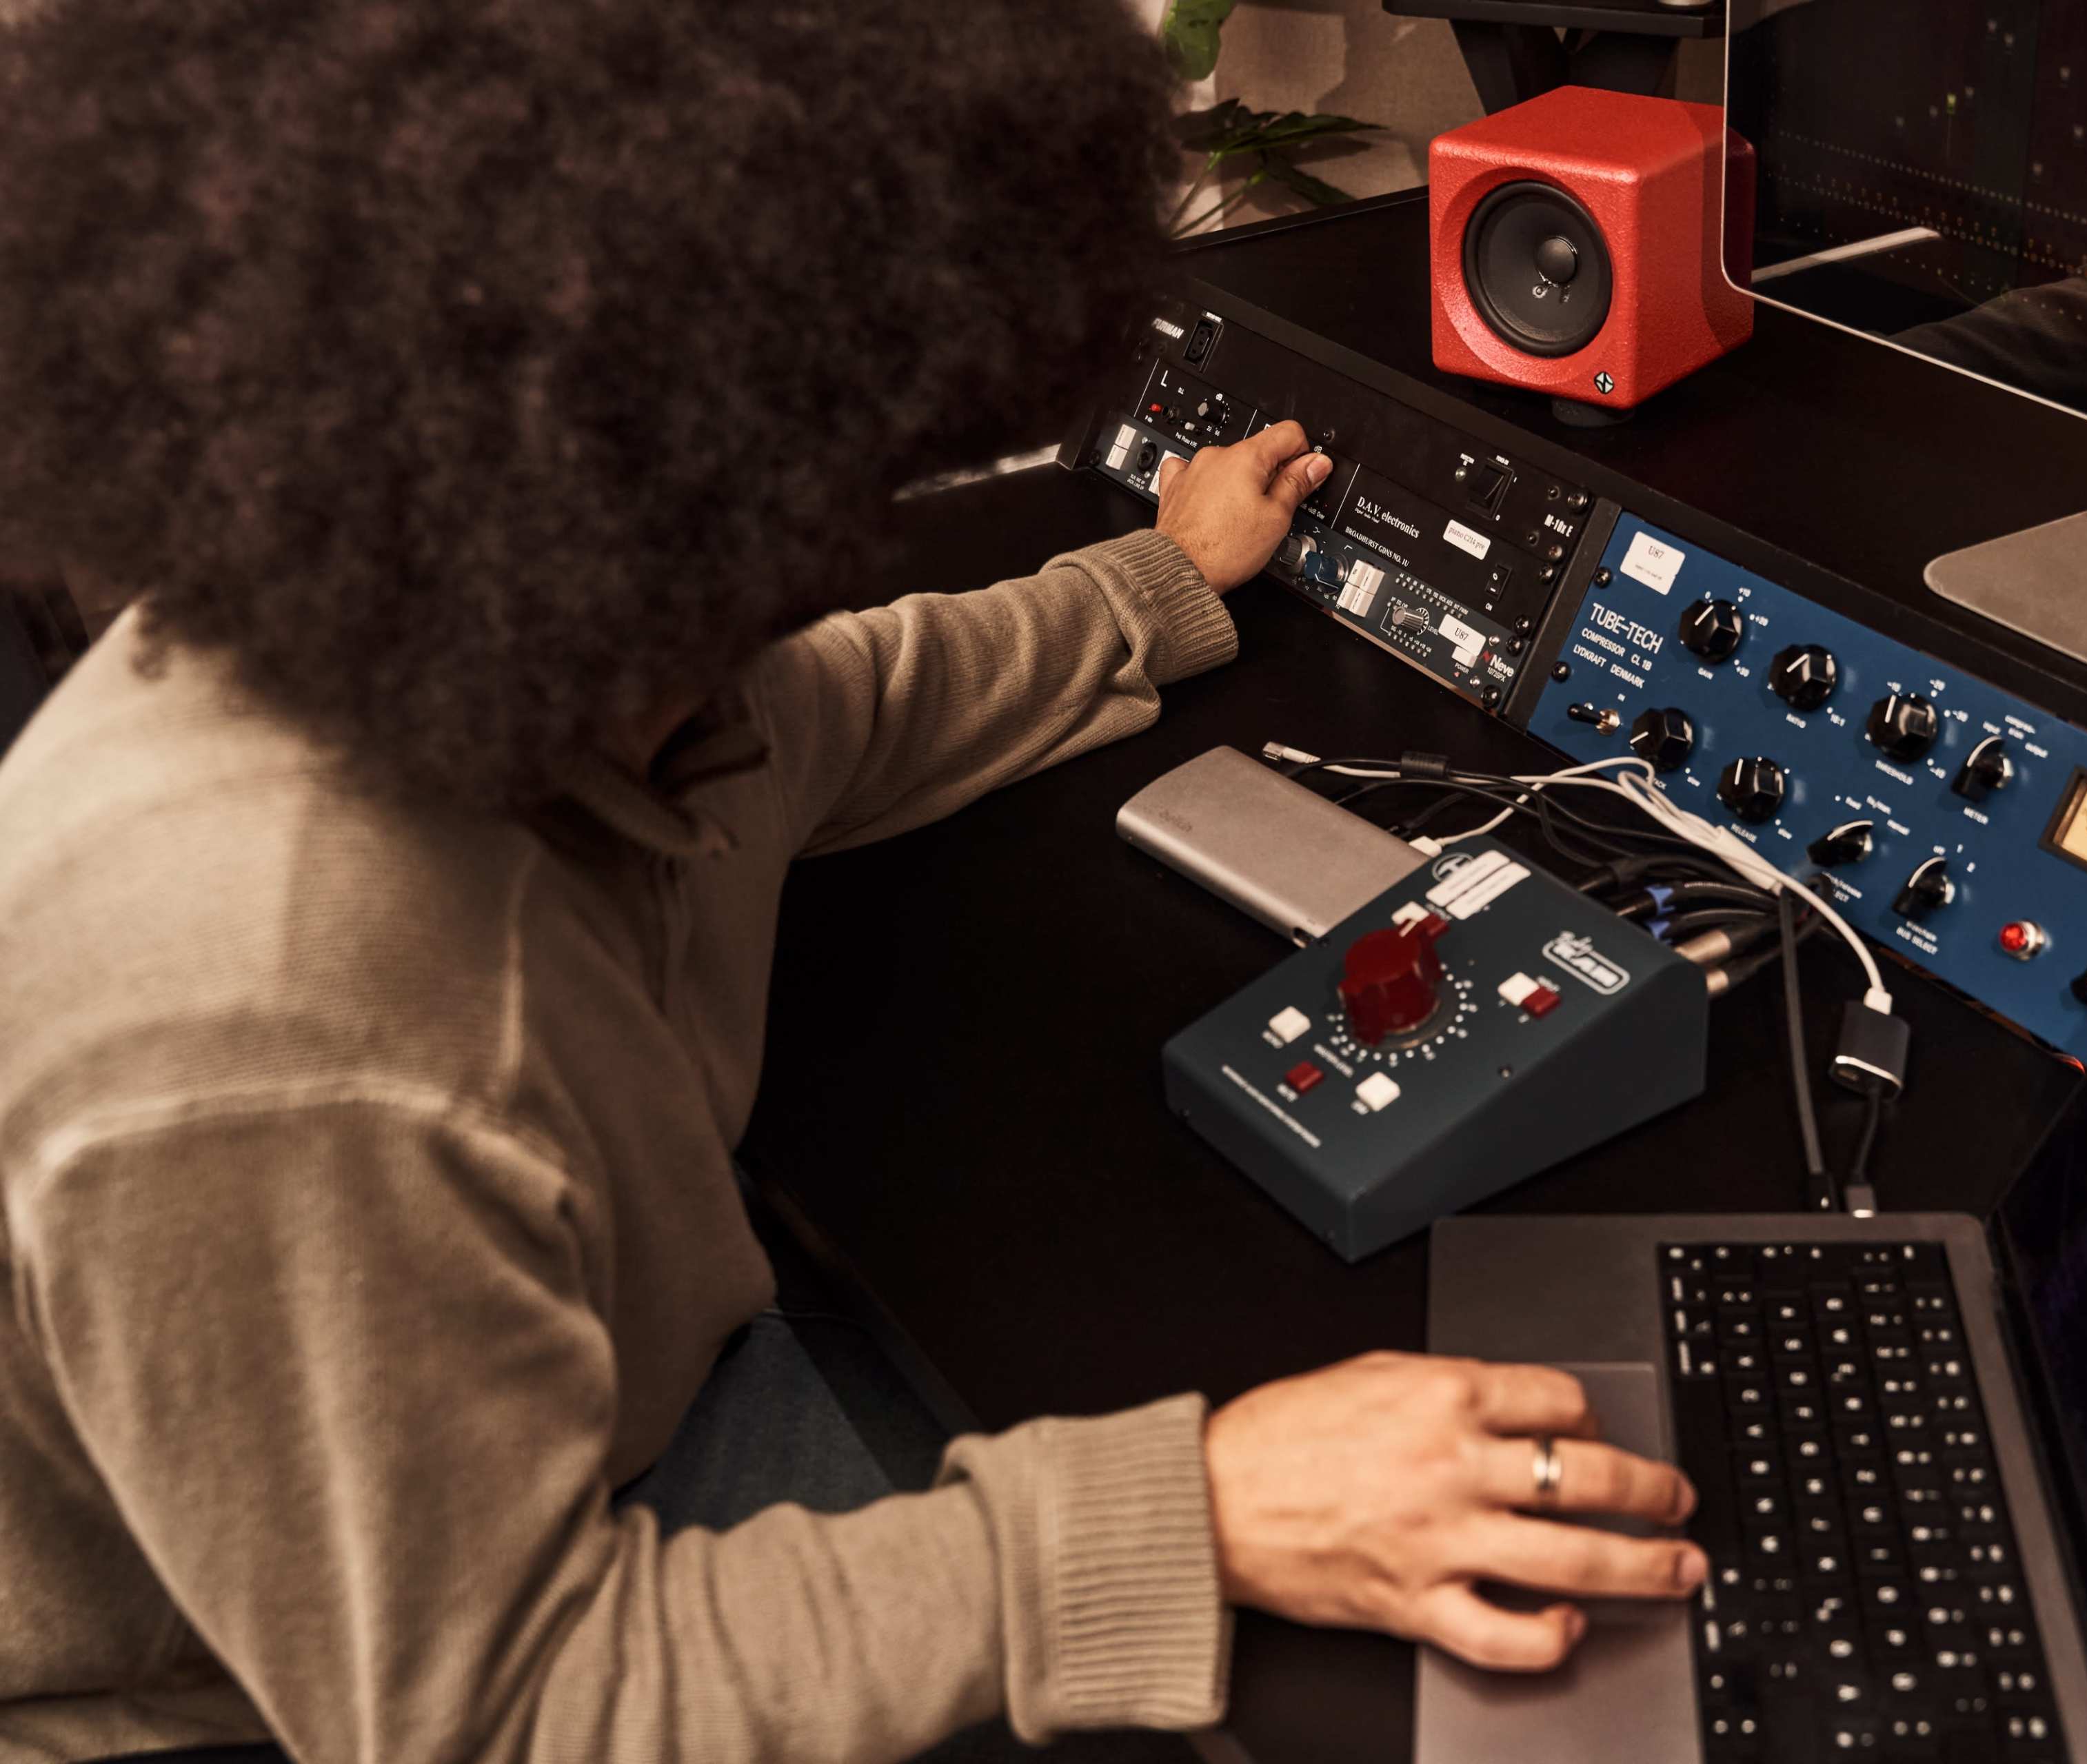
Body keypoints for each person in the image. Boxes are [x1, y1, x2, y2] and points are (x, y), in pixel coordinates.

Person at [0, 1, 1704, 1761]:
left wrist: (1154, 584)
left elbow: (840, 706)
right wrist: (1202, 1511)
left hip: (608, 1409)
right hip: (264, 1698)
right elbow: (510, 1708)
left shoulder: (544, 652)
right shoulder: (267, 1021)